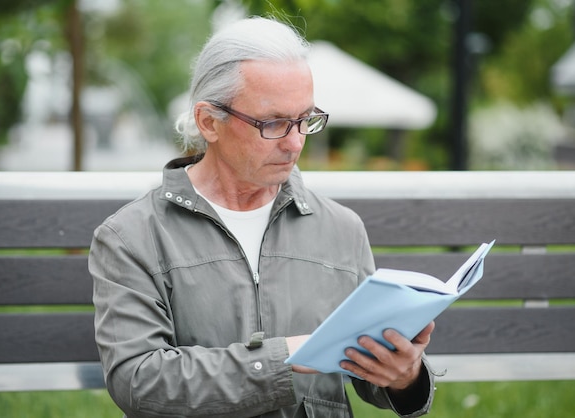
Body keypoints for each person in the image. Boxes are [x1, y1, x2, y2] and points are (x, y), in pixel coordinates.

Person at [89, 16, 436, 418]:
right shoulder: (131, 237)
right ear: (208, 122)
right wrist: (278, 361)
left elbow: (363, 374)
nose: (294, 143)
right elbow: (139, 382)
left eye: (305, 120)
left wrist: (404, 376)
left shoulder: (341, 228)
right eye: (272, 123)